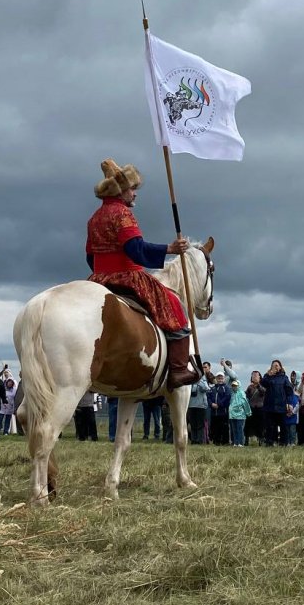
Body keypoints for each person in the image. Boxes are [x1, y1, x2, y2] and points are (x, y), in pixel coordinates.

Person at [85, 158, 198, 390]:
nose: (135, 194)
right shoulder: (123, 215)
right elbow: (135, 250)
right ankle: (178, 369)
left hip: (98, 278)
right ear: (121, 191)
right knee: (173, 305)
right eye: (132, 189)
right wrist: (170, 249)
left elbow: (89, 256)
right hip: (127, 275)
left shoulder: (94, 217)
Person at [261, 360, 294, 447]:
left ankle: (283, 443)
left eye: (277, 365)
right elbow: (263, 383)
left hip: (281, 405)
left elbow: (289, 391)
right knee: (270, 426)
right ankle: (270, 442)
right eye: (273, 365)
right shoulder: (267, 376)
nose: (275, 367)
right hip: (269, 405)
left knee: (283, 425)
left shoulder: (284, 378)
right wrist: (268, 375)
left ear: (280, 367)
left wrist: (290, 403)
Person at [207, 371, 231, 445]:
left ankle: (225, 442)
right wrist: (211, 404)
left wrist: (219, 404)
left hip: (223, 412)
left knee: (224, 427)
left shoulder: (226, 388)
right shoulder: (213, 388)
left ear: (224, 378)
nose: (220, 379)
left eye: (221, 377)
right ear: (216, 378)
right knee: (215, 427)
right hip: (214, 412)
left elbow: (227, 397)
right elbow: (209, 397)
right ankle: (216, 441)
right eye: (218, 377)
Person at [244, 371, 265, 446]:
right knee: (248, 424)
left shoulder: (262, 386)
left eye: (256, 376)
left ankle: (261, 440)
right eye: (253, 376)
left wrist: (258, 385)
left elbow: (263, 392)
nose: (255, 377)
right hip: (251, 408)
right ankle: (246, 440)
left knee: (260, 425)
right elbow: (246, 396)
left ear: (259, 377)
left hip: (260, 408)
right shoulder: (250, 387)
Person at [228, 379, 251, 447]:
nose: (234, 387)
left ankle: (241, 443)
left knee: (240, 429)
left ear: (239, 386)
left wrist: (248, 412)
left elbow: (245, 403)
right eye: (233, 385)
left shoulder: (242, 393)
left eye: (235, 385)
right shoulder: (232, 393)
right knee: (234, 429)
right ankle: (235, 442)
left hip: (240, 415)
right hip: (232, 415)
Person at [187, 374, 209, 444]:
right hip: (191, 405)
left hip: (201, 406)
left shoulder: (203, 380)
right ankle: (193, 440)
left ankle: (199, 440)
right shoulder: (190, 382)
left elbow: (206, 388)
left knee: (200, 424)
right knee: (193, 424)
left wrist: (199, 381)